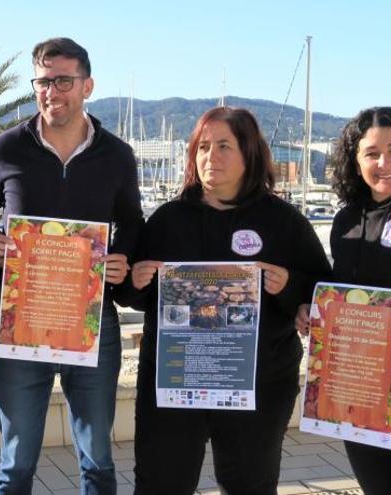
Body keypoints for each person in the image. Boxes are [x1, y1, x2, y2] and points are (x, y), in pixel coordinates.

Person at [122, 106, 330, 494]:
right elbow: (132, 295)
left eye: (223, 146)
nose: (210, 157)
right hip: (175, 384)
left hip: (257, 386)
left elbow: (319, 293)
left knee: (250, 485)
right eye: (202, 147)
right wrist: (137, 281)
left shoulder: (283, 221)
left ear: (249, 153)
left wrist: (289, 287)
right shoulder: (168, 219)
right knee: (160, 482)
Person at [0, 37, 143, 494]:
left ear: (87, 85)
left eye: (63, 81)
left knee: (99, 461)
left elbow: (133, 222)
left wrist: (122, 263)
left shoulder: (117, 155)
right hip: (22, 323)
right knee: (16, 464)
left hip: (92, 322)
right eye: (43, 82)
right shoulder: (4, 150)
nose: (52, 92)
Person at [295, 107, 391, 495]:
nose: (384, 162)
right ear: (354, 160)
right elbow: (339, 287)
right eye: (372, 153)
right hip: (360, 386)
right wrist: (311, 309)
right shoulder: (346, 220)